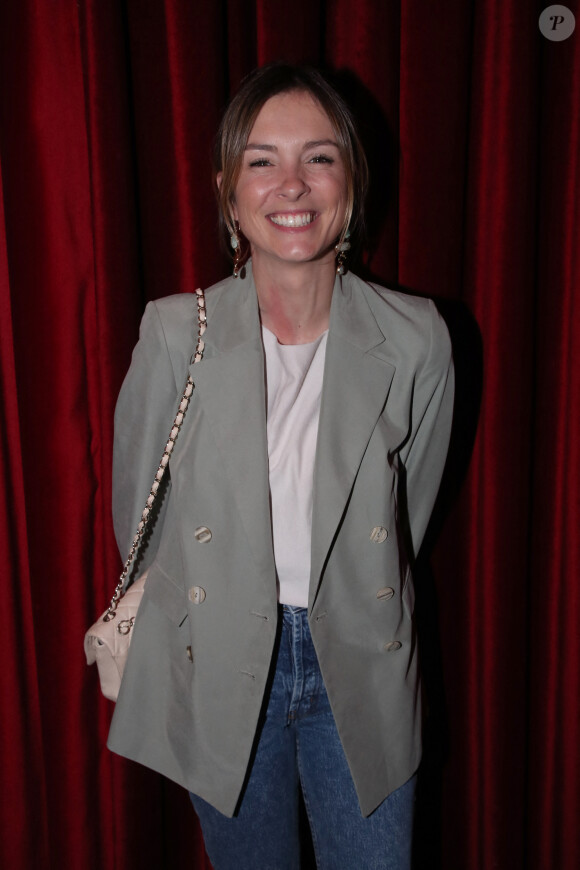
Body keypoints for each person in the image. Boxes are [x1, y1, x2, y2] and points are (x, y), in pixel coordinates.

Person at [107, 63, 454, 870]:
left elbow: (413, 510)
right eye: (262, 161)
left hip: (361, 661)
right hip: (224, 663)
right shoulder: (172, 335)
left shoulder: (417, 339)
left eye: (319, 157)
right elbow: (142, 520)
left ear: (351, 184)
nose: (291, 184)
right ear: (230, 195)